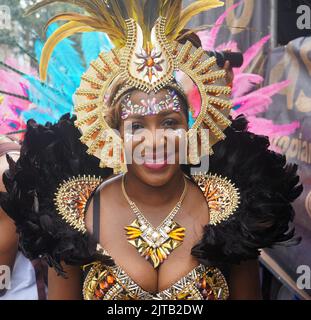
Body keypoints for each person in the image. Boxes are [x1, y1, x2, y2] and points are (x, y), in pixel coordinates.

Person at [0, 0, 302, 300]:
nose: (156, 140)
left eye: (170, 122)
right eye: (137, 126)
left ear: (190, 127)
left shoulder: (232, 207)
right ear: (115, 133)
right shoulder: (73, 210)